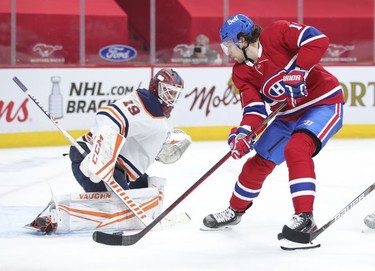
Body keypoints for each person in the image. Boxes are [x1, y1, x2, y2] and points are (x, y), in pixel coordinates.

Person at [202, 14, 344, 250]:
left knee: (297, 148)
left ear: (242, 40)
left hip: (323, 103)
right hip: (288, 115)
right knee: (258, 163)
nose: (228, 52)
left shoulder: (276, 33)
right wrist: (244, 134)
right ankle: (235, 210)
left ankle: (305, 219)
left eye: (228, 45)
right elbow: (254, 108)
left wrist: (300, 69)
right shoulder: (241, 72)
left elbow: (317, 39)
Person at [26, 68, 192, 234]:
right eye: (169, 92)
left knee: (145, 191)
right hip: (92, 160)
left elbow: (140, 139)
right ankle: (55, 217)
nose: (171, 99)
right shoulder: (147, 103)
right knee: (114, 210)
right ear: (155, 87)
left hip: (117, 166)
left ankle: (143, 208)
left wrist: (161, 145)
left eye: (175, 94)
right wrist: (101, 156)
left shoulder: (156, 115)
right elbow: (108, 117)